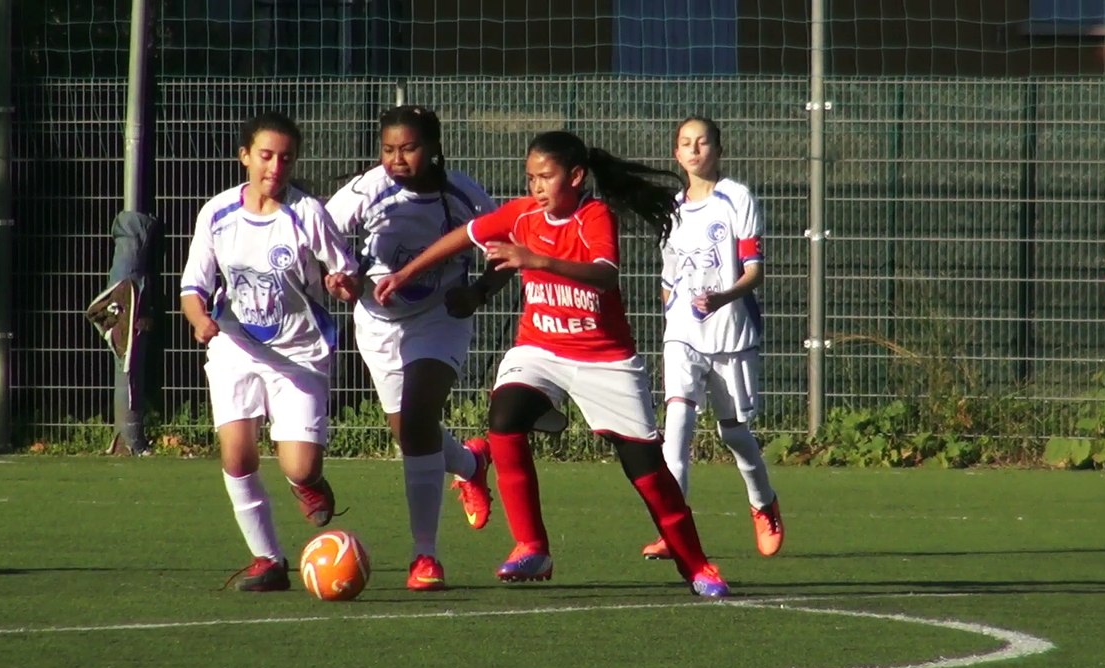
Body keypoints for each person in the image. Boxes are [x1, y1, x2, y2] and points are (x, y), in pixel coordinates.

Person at [376, 130, 731, 598]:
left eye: (546, 177)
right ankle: (532, 546)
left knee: (645, 468)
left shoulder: (594, 215)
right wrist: (406, 273)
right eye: (530, 178)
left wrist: (535, 260)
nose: (536, 187)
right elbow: (465, 236)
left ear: (577, 176)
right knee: (503, 418)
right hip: (539, 349)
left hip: (604, 359)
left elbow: (604, 274)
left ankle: (697, 565)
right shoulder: (523, 215)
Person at [180, 111, 359, 592]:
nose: (275, 167)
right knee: (237, 458)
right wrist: (201, 322)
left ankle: (309, 484)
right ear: (245, 156)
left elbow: (346, 275)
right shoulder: (217, 213)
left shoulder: (308, 214)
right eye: (265, 155)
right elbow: (193, 287)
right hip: (235, 347)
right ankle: (269, 560)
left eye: (285, 158)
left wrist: (342, 285)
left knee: (299, 465)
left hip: (300, 353)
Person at [323, 105, 495, 591]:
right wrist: (335, 277)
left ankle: (425, 556)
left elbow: (505, 244)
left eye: (410, 148)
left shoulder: (463, 194)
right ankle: (470, 463)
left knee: (419, 418)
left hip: (440, 317)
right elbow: (319, 237)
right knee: (410, 432)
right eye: (389, 149)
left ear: (434, 148)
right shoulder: (366, 189)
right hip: (377, 324)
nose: (397, 158)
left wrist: (479, 292)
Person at [641, 117, 785, 561]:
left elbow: (754, 271)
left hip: (730, 334)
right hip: (682, 335)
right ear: (676, 155)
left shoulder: (736, 197)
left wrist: (722, 297)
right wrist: (674, 313)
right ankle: (673, 528)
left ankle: (763, 503)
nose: (694, 149)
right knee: (677, 428)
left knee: (735, 434)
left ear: (718, 150)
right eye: (685, 143)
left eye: (702, 142)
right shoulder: (672, 208)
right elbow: (668, 275)